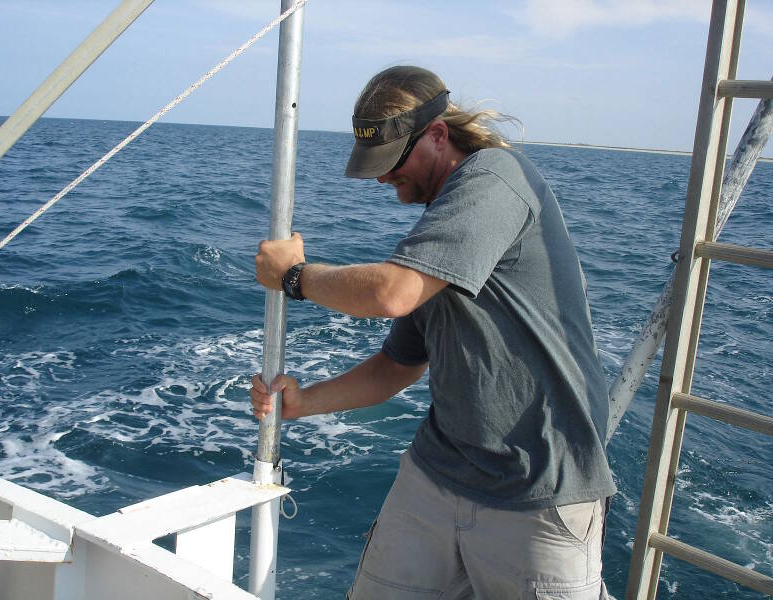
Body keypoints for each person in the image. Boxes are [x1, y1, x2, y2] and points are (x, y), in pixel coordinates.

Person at [251, 65, 616, 599]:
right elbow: (397, 366)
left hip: (540, 488)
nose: (382, 178)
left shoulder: (495, 179)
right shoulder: (440, 233)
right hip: (440, 473)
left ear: (439, 135)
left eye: (393, 161)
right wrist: (304, 402)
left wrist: (293, 277)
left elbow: (390, 294)